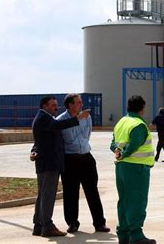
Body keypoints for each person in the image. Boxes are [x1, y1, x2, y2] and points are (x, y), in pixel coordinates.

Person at [30, 96, 90, 237]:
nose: (56, 107)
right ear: (45, 106)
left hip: (45, 162)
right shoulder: (45, 118)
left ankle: (38, 225)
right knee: (48, 195)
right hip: (50, 163)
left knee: (43, 195)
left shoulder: (43, 118)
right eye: (53, 105)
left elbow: (41, 141)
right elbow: (58, 126)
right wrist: (78, 118)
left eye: (56, 105)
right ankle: (47, 226)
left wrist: (34, 151)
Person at [56, 93, 110, 234]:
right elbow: (69, 139)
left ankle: (99, 223)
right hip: (70, 160)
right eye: (78, 102)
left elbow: (87, 135)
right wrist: (76, 122)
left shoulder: (87, 117)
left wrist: (82, 143)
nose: (81, 104)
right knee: (70, 193)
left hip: (86, 158)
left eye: (81, 102)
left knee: (92, 191)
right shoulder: (61, 120)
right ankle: (72, 223)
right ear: (70, 105)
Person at [110, 95, 156, 244]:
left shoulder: (121, 123)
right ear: (142, 108)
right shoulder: (139, 125)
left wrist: (118, 152)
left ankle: (123, 234)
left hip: (121, 167)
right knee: (136, 201)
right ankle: (136, 235)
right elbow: (134, 144)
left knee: (124, 201)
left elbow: (113, 144)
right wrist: (124, 153)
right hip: (136, 168)